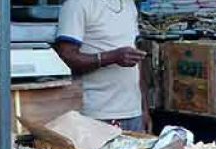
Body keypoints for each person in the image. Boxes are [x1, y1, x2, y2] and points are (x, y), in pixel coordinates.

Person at [55, 0, 150, 132]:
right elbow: (66, 56)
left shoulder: (129, 5)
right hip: (96, 114)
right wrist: (112, 57)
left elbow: (137, 63)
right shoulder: (77, 4)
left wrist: (144, 109)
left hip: (133, 113)